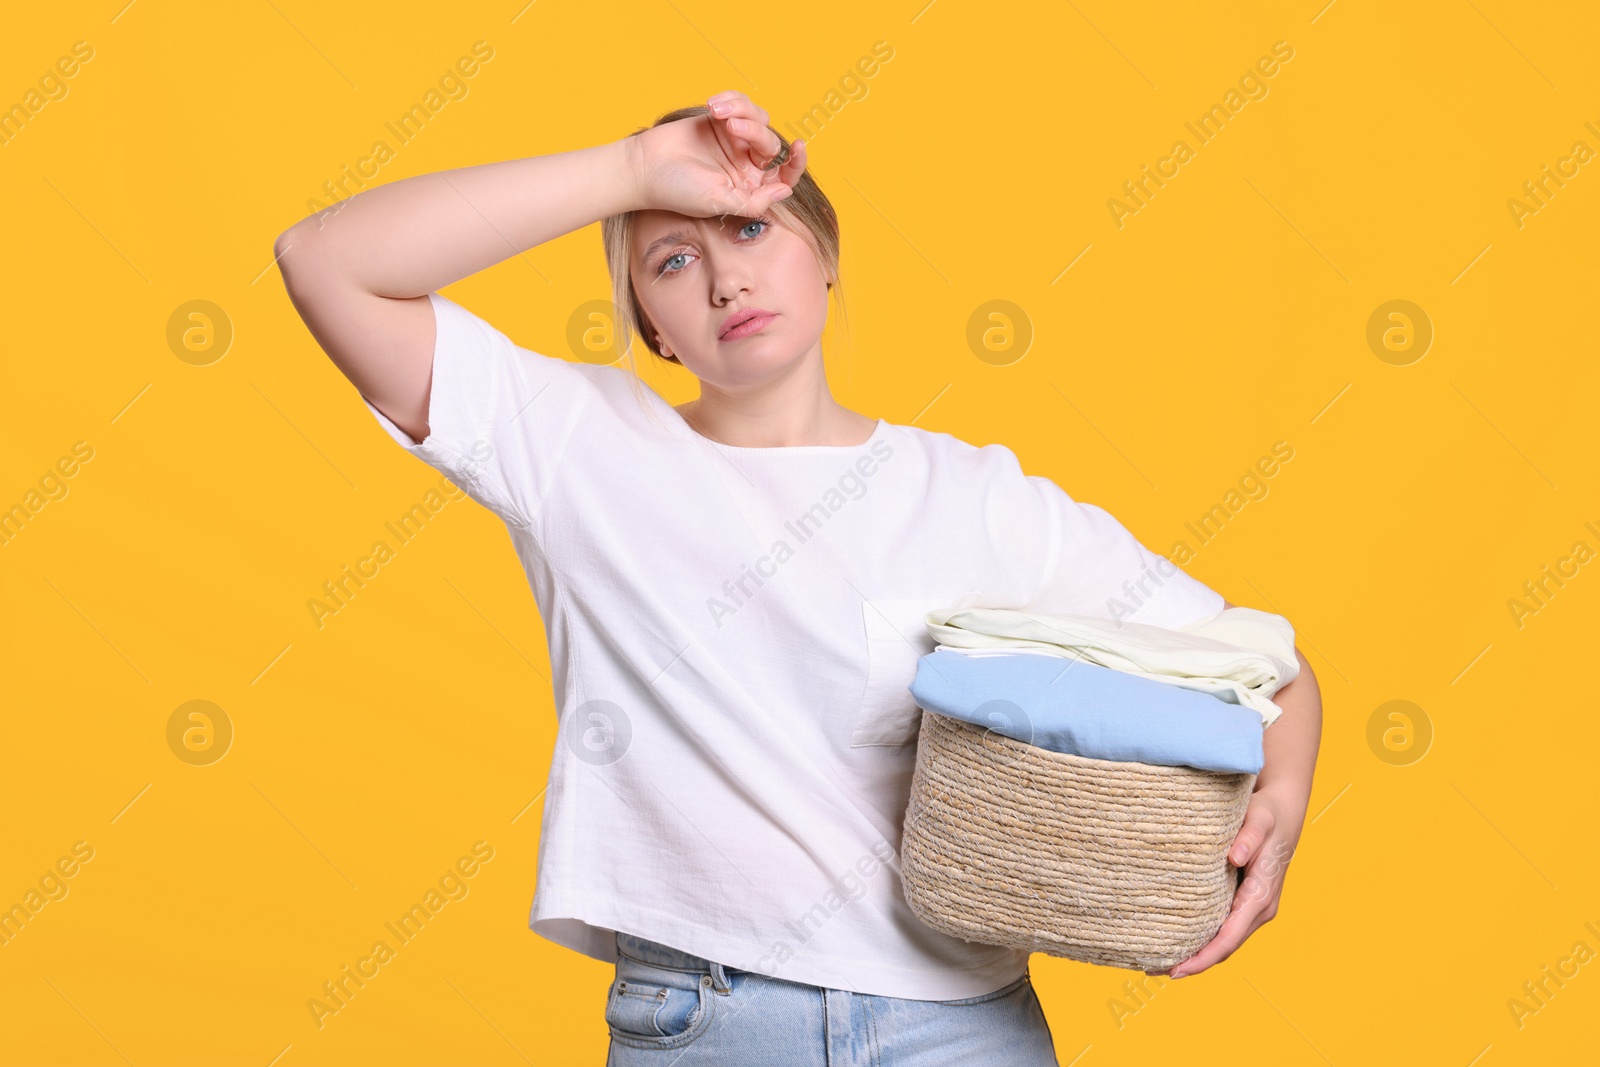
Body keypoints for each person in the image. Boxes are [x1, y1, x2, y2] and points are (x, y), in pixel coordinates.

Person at [273, 89, 1323, 1065]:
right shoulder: (580, 450)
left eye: (747, 229)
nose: (725, 277)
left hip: (961, 1028)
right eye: (671, 260)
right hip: (707, 1021)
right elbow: (325, 260)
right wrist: (636, 169)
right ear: (650, 327)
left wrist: (1281, 798)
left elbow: (1266, 668)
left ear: (823, 253)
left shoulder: (973, 495)